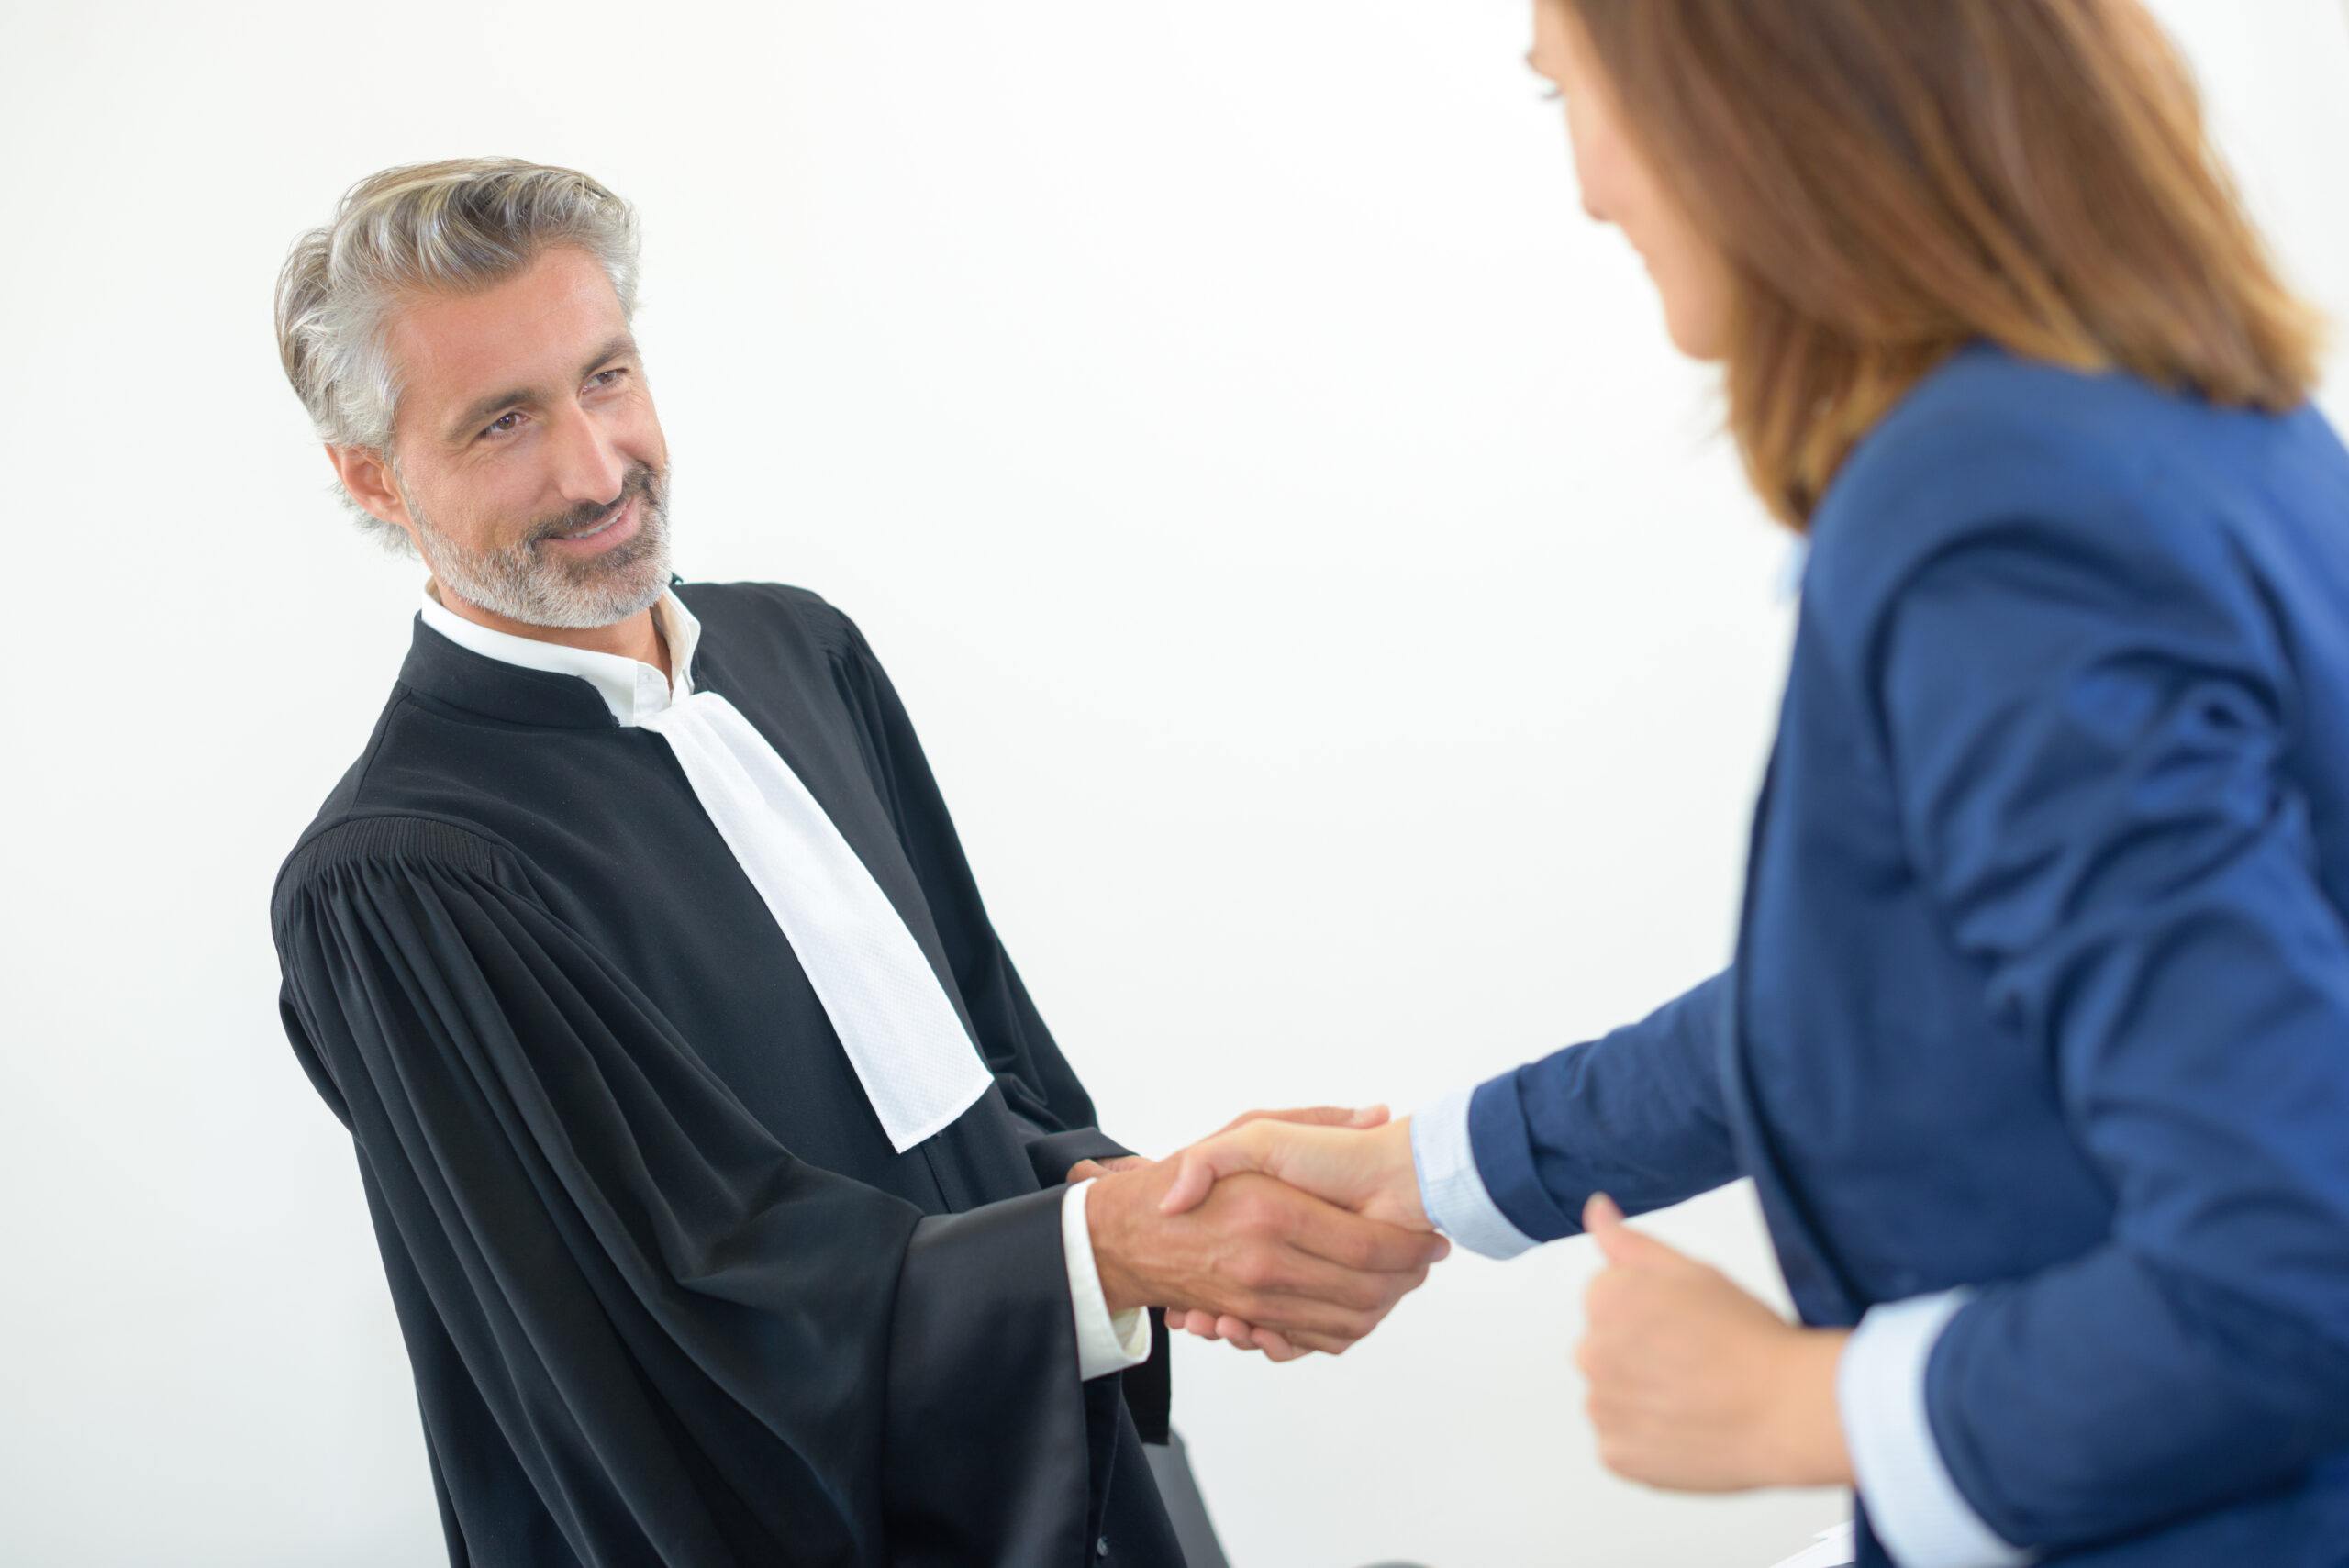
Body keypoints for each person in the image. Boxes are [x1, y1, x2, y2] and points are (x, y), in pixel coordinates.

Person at [1159, 2, 2349, 1565]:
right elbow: (1894, 993)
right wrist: (1428, 1175)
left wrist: (1802, 1405)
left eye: (1567, 94)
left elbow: (2288, 1270)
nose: (1590, 185)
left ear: (1756, 90)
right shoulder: (2195, 420)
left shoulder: (1993, 510)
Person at [267, 159, 1448, 1568]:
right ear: (370, 474)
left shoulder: (799, 655)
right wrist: (1110, 1250)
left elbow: (988, 1094)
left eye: (607, 375)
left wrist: (1184, 1205)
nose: (594, 468)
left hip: (1059, 1491)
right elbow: (666, 1336)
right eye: (504, 421)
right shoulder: (396, 883)